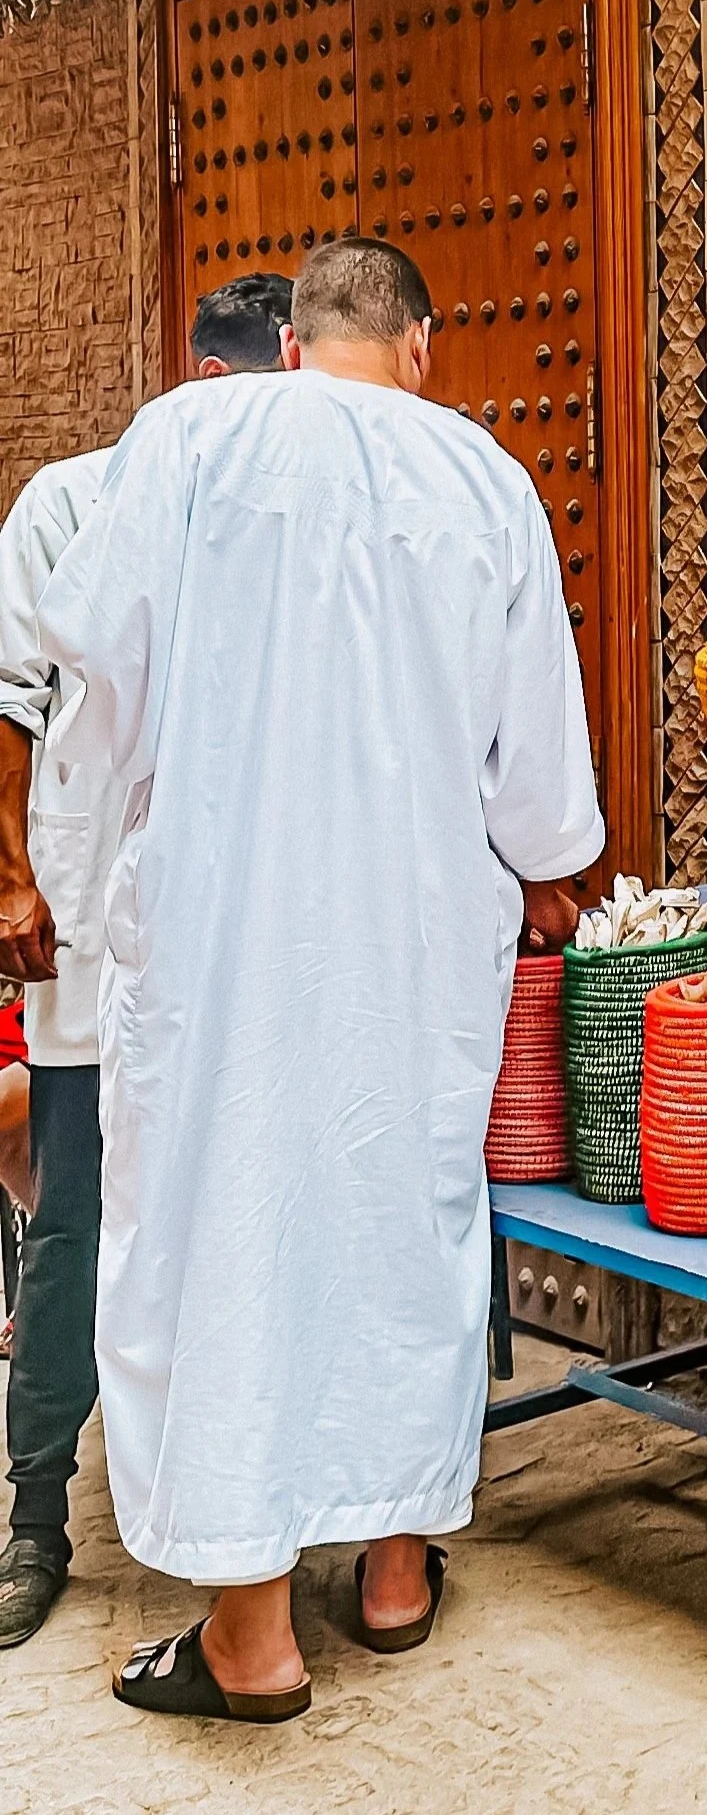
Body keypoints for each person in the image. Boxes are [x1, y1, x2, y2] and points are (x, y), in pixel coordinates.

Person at [40, 239, 598, 1722]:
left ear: (289, 347)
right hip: (409, 944)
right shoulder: (484, 479)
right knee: (399, 1220)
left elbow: (83, 654)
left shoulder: (189, 438)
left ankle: (250, 1635)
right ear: (421, 345)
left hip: (225, 932)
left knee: (225, 1235)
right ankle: (399, 1571)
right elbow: (544, 802)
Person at [0, 268, 301, 1648]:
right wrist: (8, 874)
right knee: (71, 1214)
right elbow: (11, 700)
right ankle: (34, 1517)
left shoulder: (280, 519)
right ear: (216, 387)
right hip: (84, 924)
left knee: (235, 1212)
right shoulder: (64, 502)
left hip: (227, 937)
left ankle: (252, 1509)